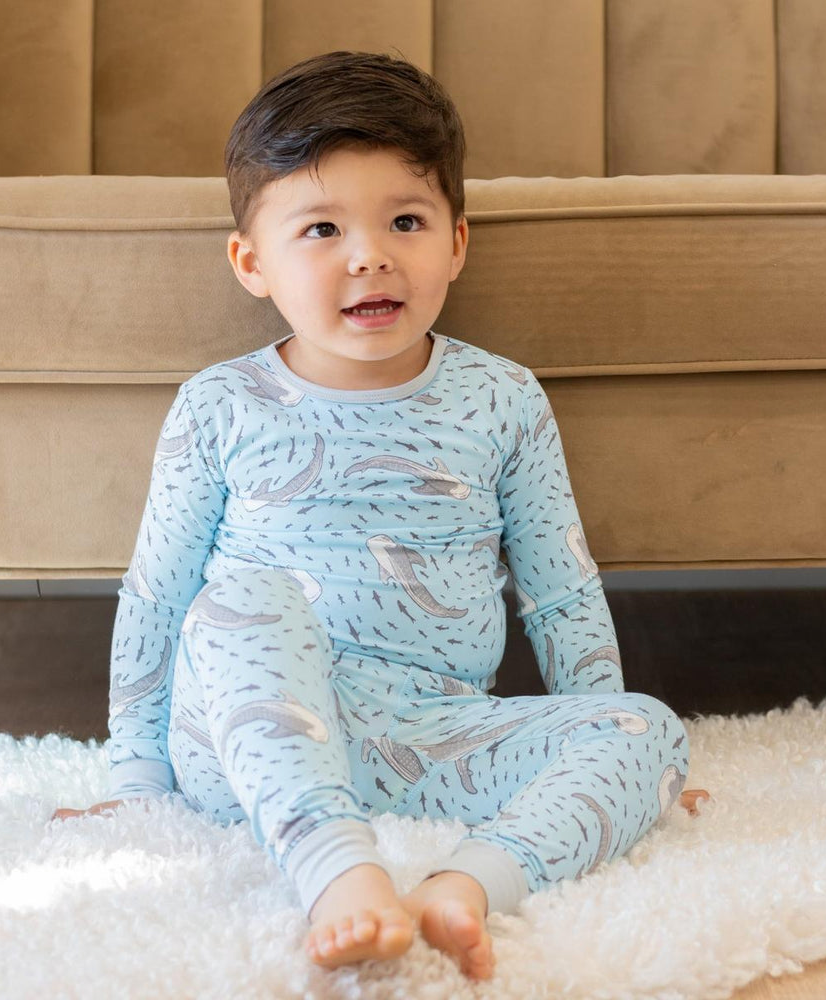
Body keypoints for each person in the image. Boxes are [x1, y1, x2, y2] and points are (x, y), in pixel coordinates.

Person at [52, 51, 701, 981]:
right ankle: (335, 868)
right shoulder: (220, 405)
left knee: (648, 728)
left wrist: (593, 730)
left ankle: (462, 889)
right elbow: (158, 594)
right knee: (238, 602)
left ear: (456, 244)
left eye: (406, 221)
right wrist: (135, 784)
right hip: (247, 742)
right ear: (252, 263)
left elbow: (560, 593)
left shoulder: (503, 399)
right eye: (322, 228)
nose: (370, 255)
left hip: (432, 739)